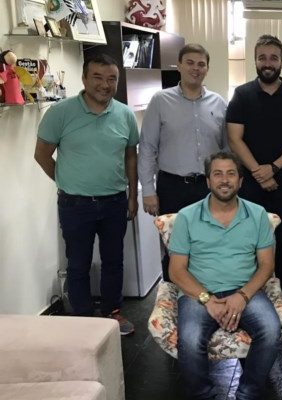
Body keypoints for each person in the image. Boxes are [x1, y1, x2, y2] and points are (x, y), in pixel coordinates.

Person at [34, 54, 138, 335]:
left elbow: (131, 157)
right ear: (84, 79)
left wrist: (132, 196)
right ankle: (82, 321)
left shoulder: (125, 114)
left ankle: (112, 312)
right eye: (98, 77)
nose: (105, 84)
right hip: (74, 204)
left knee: (113, 261)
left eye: (111, 79)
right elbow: (42, 155)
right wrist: (65, 180)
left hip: (115, 201)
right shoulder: (60, 113)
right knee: (78, 264)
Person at [168, 151, 281, 400]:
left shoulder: (258, 214)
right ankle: (204, 396)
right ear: (208, 181)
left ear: (241, 181)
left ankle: (247, 394)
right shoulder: (187, 216)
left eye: (231, 174)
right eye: (217, 174)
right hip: (198, 293)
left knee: (271, 330)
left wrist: (242, 295)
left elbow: (266, 265)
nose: (224, 180)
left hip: (245, 290)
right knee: (189, 338)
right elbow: (176, 270)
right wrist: (207, 299)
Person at [227, 34, 282, 291]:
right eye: (262, 57)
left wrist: (273, 168)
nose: (268, 62)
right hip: (250, 186)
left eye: (273, 57)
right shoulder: (241, 95)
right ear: (255, 60)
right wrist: (259, 172)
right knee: (250, 243)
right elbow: (234, 138)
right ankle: (250, 295)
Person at [138, 43, 227, 280]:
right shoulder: (160, 101)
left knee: (210, 246)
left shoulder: (219, 103)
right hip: (172, 187)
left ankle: (207, 300)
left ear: (207, 69)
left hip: (208, 188)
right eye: (190, 63)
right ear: (179, 65)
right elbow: (147, 147)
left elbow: (227, 149)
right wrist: (148, 190)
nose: (195, 69)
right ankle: (172, 302)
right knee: (174, 248)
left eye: (201, 64)